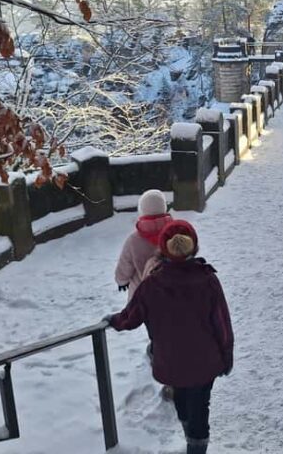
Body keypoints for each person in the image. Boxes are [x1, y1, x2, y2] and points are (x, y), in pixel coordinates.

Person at [105, 220, 234, 454]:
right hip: (205, 362)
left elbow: (130, 317)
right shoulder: (208, 281)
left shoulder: (151, 284)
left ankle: (188, 433)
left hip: (171, 361)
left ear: (163, 249)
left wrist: (113, 321)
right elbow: (222, 323)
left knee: (182, 401)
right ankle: (196, 447)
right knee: (200, 407)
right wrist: (227, 356)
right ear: (193, 247)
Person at [115, 189, 172, 299]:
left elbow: (125, 265)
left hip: (141, 297)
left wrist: (121, 280)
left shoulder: (133, 240)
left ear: (142, 210)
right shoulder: (174, 234)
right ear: (164, 208)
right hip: (170, 293)